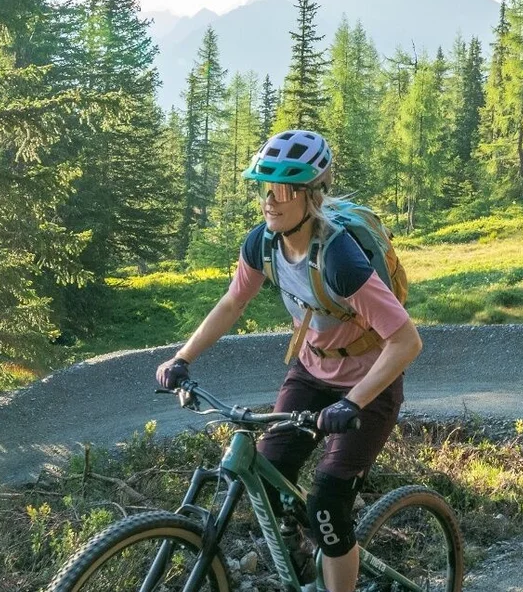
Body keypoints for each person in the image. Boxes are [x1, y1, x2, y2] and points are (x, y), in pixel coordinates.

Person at [155, 129, 422, 592]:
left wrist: (352, 404)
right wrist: (183, 357)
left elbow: (406, 341)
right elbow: (232, 303)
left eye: (282, 191)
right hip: (311, 369)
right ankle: (299, 553)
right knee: (269, 471)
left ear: (312, 196)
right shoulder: (263, 243)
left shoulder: (340, 258)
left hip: (369, 386)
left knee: (328, 504)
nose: (270, 201)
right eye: (265, 188)